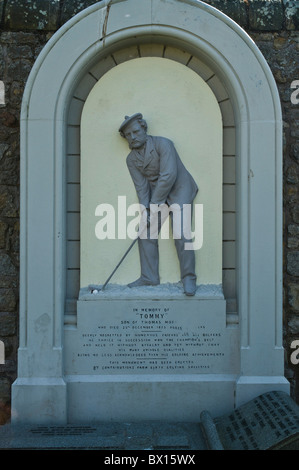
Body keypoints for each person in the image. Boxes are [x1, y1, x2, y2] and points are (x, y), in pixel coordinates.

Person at [119, 113, 198, 296]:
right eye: (128, 135)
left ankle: (189, 277)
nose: (133, 137)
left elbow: (168, 175)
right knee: (145, 231)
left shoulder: (164, 144)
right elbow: (142, 188)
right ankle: (149, 276)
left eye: (136, 131)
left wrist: (154, 205)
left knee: (181, 233)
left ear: (144, 128)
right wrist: (146, 210)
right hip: (157, 195)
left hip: (180, 189)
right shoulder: (131, 160)